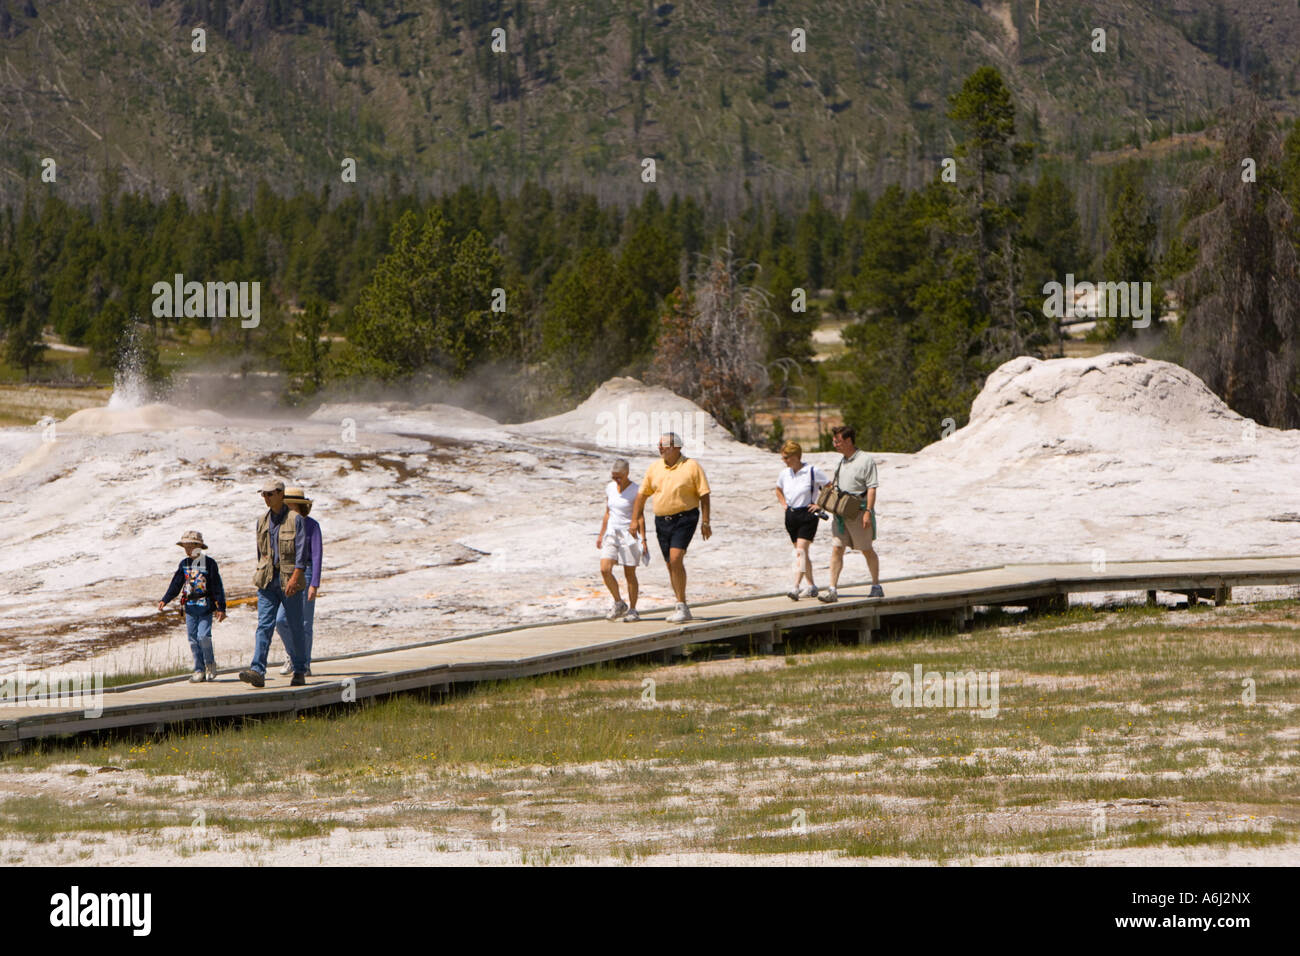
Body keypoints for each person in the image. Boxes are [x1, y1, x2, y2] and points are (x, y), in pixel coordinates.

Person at [632, 432, 711, 623]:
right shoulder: (654, 468)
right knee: (670, 564)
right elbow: (642, 495)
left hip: (685, 518)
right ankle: (680, 604)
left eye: (664, 445)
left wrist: (706, 521)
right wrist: (634, 520)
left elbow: (704, 495)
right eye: (659, 445)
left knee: (676, 558)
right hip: (662, 521)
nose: (660, 448)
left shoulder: (692, 466)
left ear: (677, 447)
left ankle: (682, 606)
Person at [239, 479, 310, 688]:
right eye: (264, 494)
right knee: (264, 625)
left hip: (289, 580)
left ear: (281, 494)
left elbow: (301, 554)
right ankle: (257, 671)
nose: (266, 498)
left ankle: (299, 670)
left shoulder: (295, 519)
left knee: (296, 626)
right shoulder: (261, 520)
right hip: (267, 581)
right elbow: (260, 552)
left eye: (270, 494)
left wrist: (296, 579)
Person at [818, 425, 883, 602]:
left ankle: (876, 585)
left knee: (866, 549)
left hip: (859, 513)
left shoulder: (865, 461)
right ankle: (832, 589)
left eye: (837, 441)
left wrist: (868, 512)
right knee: (837, 548)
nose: (835, 444)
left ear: (848, 441)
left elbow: (871, 488)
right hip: (841, 515)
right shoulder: (841, 462)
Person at [157, 530, 226, 682]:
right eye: (185, 547)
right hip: (189, 606)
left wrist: (221, 607)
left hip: (205, 606)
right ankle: (199, 669)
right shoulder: (184, 564)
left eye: (190, 546)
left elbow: (217, 586)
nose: (187, 550)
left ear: (198, 546)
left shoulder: (209, 564)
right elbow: (176, 584)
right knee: (193, 639)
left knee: (204, 636)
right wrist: (165, 599)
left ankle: (210, 664)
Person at [774, 440, 830, 601]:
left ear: (796, 456)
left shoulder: (812, 471)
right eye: (783, 458)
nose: (784, 461)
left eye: (787, 457)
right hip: (791, 514)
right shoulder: (784, 473)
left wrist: (819, 504)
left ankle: (796, 586)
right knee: (801, 553)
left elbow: (829, 486)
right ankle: (812, 585)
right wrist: (784, 504)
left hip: (808, 514)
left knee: (800, 551)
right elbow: (778, 489)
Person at [277, 487, 322, 676]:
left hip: (307, 572)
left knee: (304, 623)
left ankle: (304, 663)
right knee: (280, 620)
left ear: (298, 506)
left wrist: (314, 584)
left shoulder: (312, 525)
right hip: (287, 574)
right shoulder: (282, 525)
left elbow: (317, 554)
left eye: (289, 504)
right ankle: (293, 655)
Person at [597, 459, 646, 622]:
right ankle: (619, 602)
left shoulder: (636, 490)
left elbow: (640, 516)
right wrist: (601, 534)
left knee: (629, 573)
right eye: (614, 477)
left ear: (627, 474)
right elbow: (607, 512)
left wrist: (643, 539)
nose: (616, 480)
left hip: (628, 534)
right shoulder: (610, 488)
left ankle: (633, 609)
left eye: (619, 477)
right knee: (605, 569)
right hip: (611, 533)